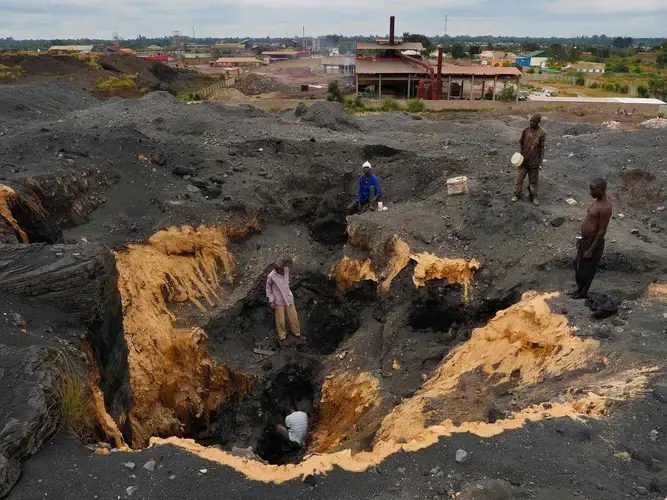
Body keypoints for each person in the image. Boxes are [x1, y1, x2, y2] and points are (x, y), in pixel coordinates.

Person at [570, 178, 612, 299]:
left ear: (601, 189)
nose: (590, 192)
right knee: (578, 267)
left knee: (586, 270)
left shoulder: (605, 207)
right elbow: (588, 221)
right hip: (585, 239)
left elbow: (602, 231)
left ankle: (583, 293)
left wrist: (591, 249)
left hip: (593, 242)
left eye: (593, 190)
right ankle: (578, 290)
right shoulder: (594, 203)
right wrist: (580, 238)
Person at [513, 114, 546, 206]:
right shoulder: (525, 131)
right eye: (531, 121)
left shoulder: (542, 133)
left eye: (534, 121)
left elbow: (542, 148)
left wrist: (541, 161)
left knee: (533, 181)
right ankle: (517, 195)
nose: (531, 123)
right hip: (523, 161)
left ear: (538, 122)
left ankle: (534, 197)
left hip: (534, 162)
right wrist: (519, 156)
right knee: (519, 179)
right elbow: (521, 144)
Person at [266, 260, 301, 341]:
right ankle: (282, 336)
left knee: (294, 317)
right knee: (280, 320)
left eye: (281, 269)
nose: (279, 271)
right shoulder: (271, 276)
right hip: (278, 300)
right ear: (275, 269)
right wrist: (271, 301)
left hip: (288, 298)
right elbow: (268, 290)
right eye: (277, 270)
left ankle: (297, 333)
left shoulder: (286, 270)